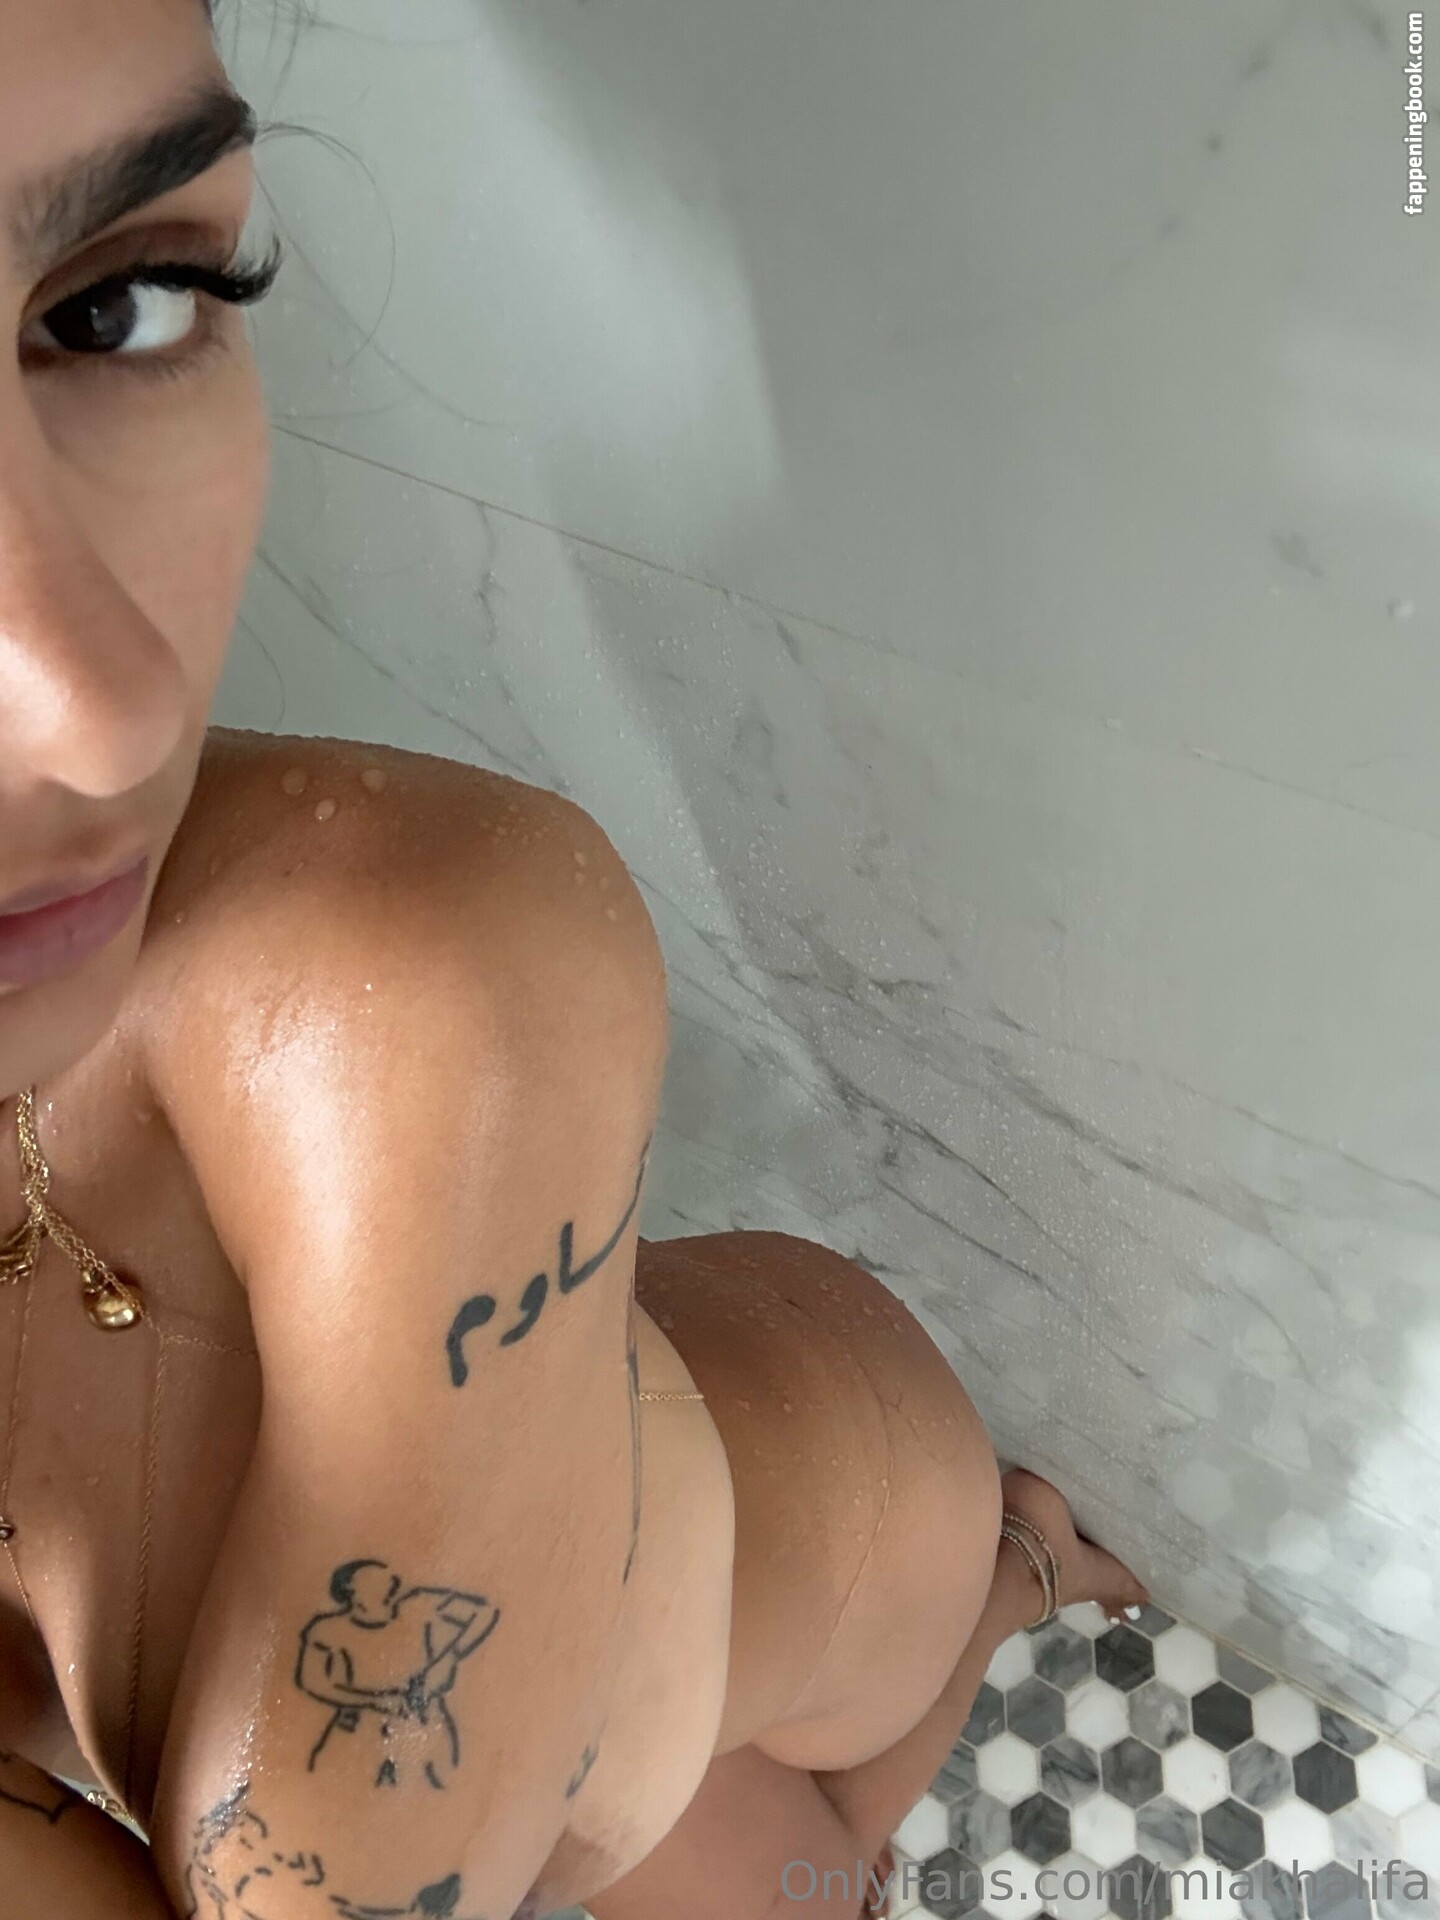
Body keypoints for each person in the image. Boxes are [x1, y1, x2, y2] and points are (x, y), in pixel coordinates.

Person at [0, 3, 1148, 1917]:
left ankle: (1019, 1576)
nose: (99, 714)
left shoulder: (416, 979)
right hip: (571, 1703)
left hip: (832, 1539)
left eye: (113, 306)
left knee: (827, 1861)